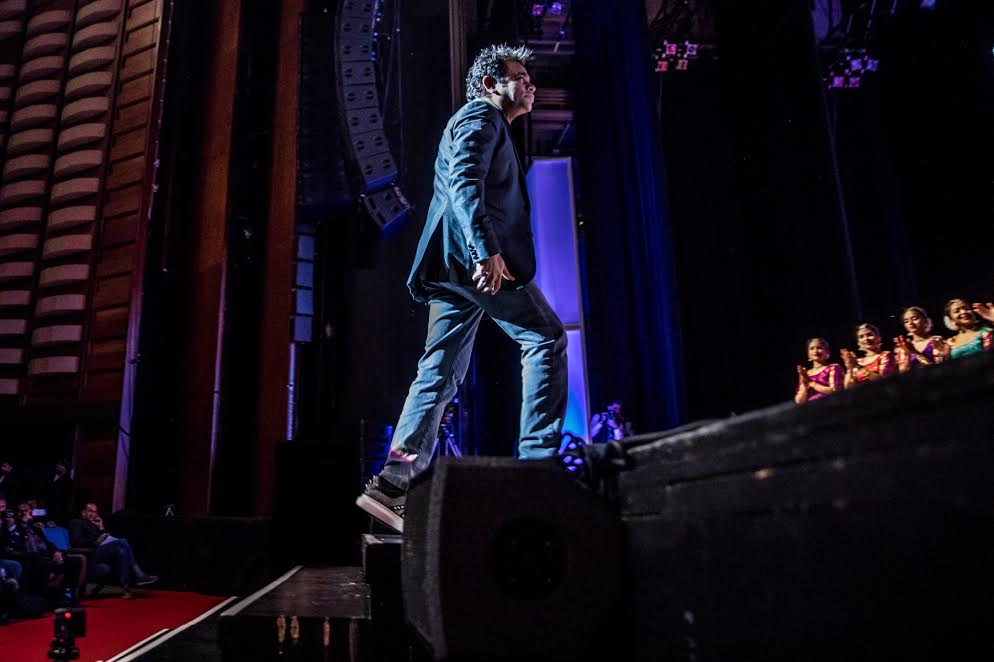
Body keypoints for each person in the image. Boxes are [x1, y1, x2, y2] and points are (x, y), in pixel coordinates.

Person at [356, 44, 567, 533]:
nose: (531, 84)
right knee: (545, 338)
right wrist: (485, 252)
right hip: (472, 260)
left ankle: (392, 486)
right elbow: (464, 182)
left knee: (440, 370)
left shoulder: (483, 123)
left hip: (451, 269)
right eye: (520, 76)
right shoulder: (481, 116)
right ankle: (539, 465)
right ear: (492, 85)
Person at [69, 503, 157, 598]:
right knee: (123, 541)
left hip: (101, 553)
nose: (93, 514)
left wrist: (101, 527)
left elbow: (104, 538)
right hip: (89, 554)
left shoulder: (95, 524)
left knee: (122, 551)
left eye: (95, 512)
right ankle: (138, 574)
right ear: (83, 512)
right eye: (90, 511)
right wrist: (94, 542)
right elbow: (76, 541)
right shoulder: (77, 522)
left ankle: (126, 588)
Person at [841, 323, 896, 388]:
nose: (866, 339)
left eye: (869, 335)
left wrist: (859, 368)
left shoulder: (885, 355)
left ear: (878, 338)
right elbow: (848, 388)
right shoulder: (858, 361)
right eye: (861, 336)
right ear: (858, 343)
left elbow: (885, 381)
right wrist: (849, 368)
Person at [893, 306, 945, 372]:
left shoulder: (936, 340)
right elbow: (903, 373)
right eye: (906, 321)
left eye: (914, 318)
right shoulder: (906, 346)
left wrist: (915, 352)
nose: (910, 323)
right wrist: (907, 355)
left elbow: (938, 369)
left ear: (925, 320)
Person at [794, 338, 843, 404]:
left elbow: (836, 391)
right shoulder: (806, 374)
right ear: (808, 354)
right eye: (812, 348)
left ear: (827, 351)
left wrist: (811, 383)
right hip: (811, 410)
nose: (815, 351)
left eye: (819, 348)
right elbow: (799, 401)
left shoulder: (833, 367)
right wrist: (805, 386)